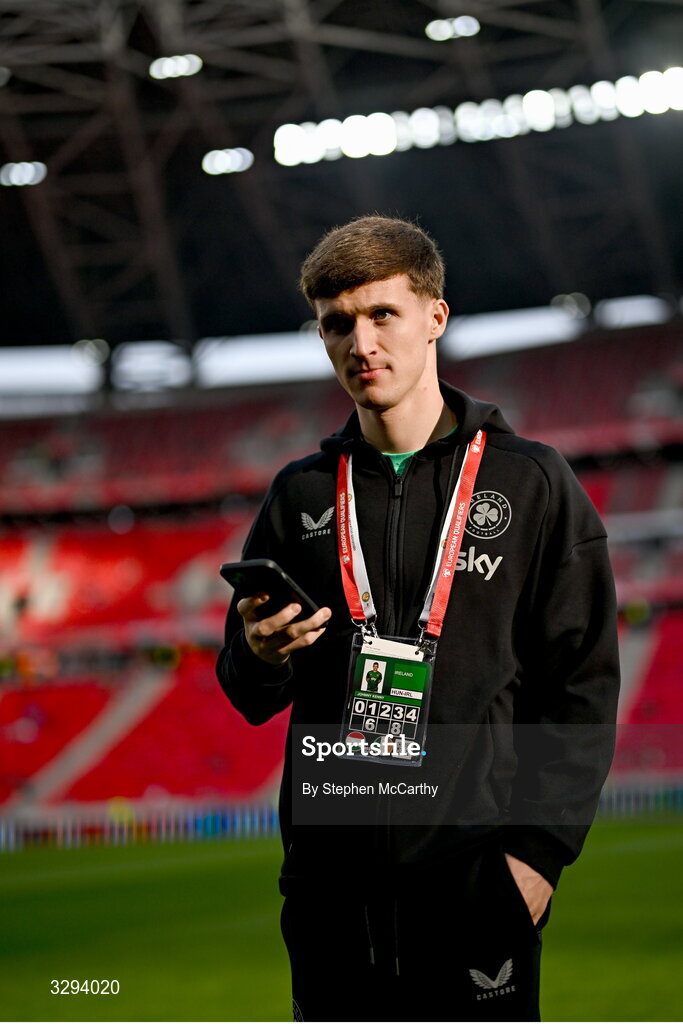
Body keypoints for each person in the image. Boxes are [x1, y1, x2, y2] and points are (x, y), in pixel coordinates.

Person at [216, 215, 620, 1022]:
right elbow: (249, 688)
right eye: (336, 324)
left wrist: (533, 860)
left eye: (380, 315)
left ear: (434, 315)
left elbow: (581, 682)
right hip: (330, 892)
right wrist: (260, 652)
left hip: (477, 882)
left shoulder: (530, 483)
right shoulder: (299, 496)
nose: (359, 343)